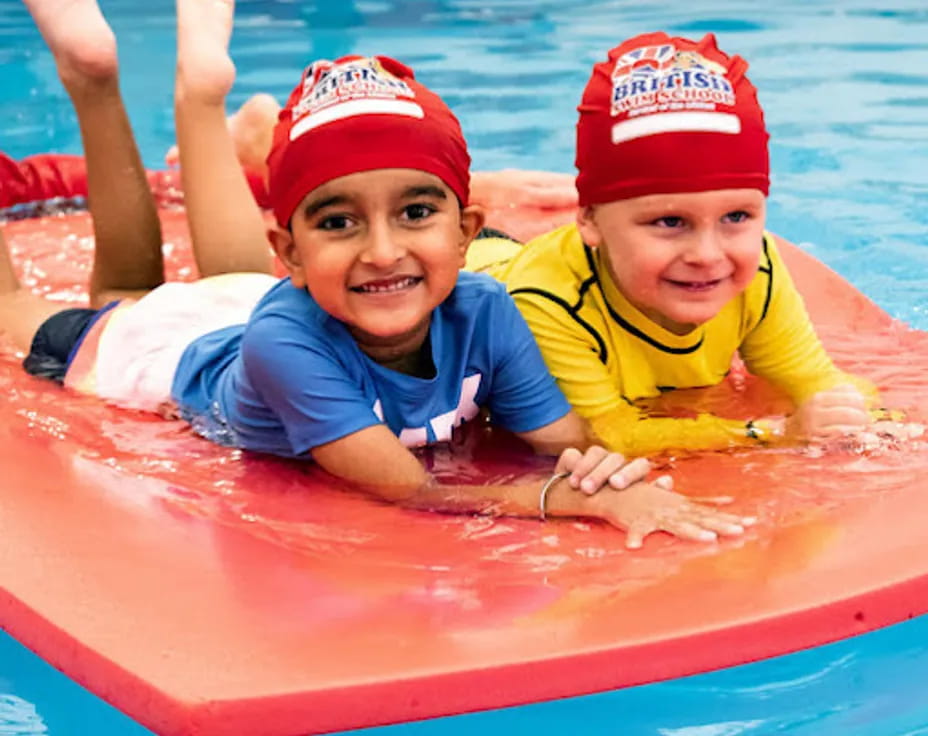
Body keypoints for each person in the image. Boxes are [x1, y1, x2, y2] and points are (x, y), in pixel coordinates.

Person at [0, 0, 754, 549]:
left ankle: (201, 93)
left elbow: (561, 435)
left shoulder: (486, 306)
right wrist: (570, 500)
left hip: (254, 301)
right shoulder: (284, 344)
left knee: (210, 281)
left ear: (467, 232)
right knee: (99, 299)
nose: (384, 251)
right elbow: (407, 487)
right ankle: (92, 76)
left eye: (416, 214)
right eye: (337, 222)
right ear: (289, 251)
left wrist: (613, 475)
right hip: (157, 355)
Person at [476, 31, 920, 455]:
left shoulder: (757, 264)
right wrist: (772, 434)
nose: (708, 256)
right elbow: (602, 432)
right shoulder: (539, 303)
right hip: (482, 263)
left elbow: (809, 375)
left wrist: (874, 418)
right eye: (670, 221)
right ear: (589, 219)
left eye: (736, 216)